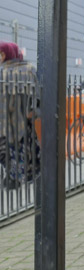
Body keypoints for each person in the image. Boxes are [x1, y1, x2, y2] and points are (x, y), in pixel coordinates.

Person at [0, 41, 40, 189]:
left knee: (12, 150)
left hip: (10, 119)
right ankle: (15, 176)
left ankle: (13, 178)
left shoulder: (8, 71)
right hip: (20, 119)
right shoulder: (28, 70)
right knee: (20, 149)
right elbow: (37, 95)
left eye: (2, 53)